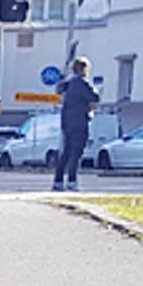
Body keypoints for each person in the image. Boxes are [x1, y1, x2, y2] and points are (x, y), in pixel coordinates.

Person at [54, 57, 100, 192]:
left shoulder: (68, 84)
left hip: (67, 122)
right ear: (84, 69)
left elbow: (59, 90)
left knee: (66, 152)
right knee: (76, 152)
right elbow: (94, 97)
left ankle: (58, 181)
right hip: (80, 121)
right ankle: (72, 182)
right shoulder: (82, 83)